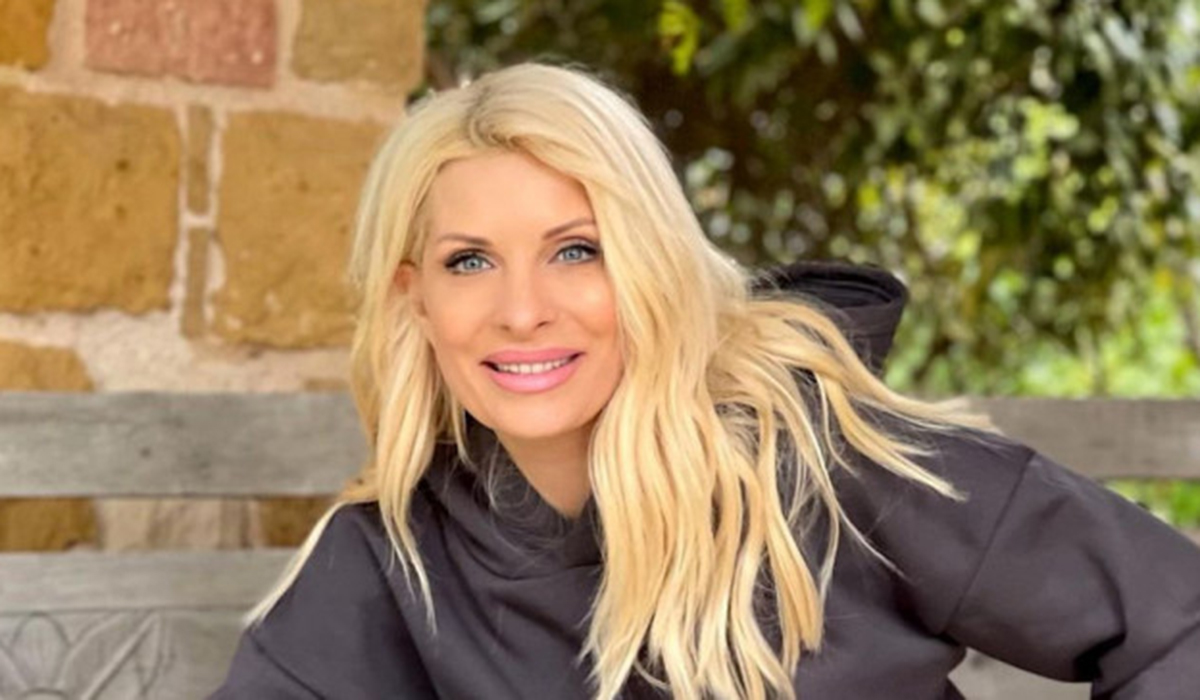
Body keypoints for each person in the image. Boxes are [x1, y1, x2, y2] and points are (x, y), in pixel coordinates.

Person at [211, 63, 1200, 700]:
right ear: (416, 300)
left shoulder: (834, 469)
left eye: (576, 250)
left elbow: (1176, 621)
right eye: (469, 260)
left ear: (653, 264)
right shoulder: (397, 556)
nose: (521, 310)